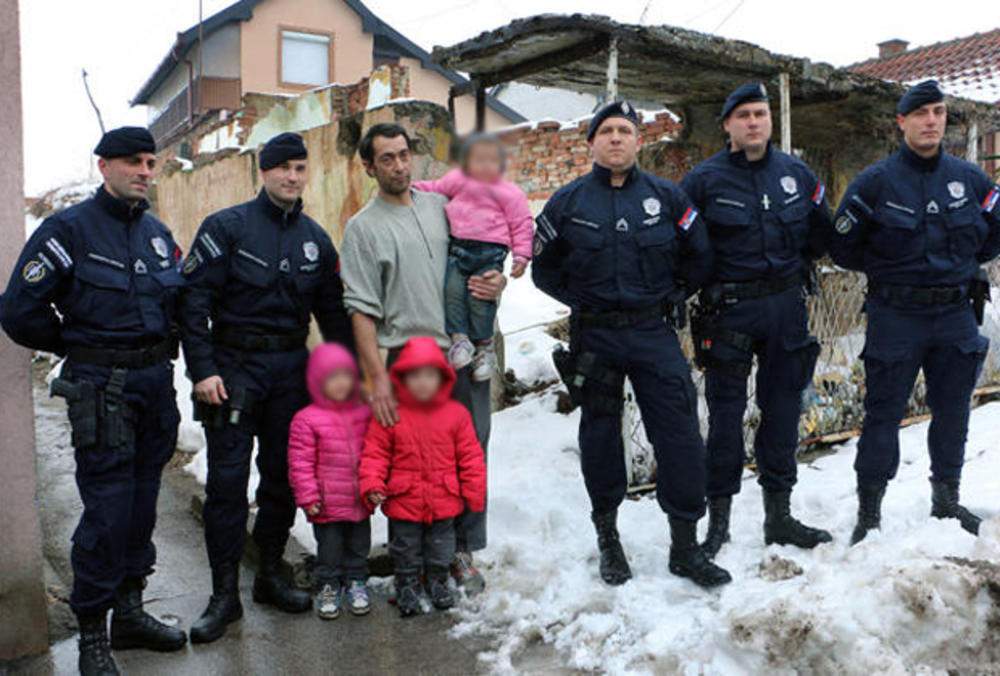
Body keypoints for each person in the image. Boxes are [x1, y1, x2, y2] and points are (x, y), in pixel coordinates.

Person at [0, 127, 187, 675]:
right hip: (101, 390)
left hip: (154, 386)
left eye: (152, 162)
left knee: (143, 506)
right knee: (107, 512)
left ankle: (129, 614)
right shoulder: (69, 230)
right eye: (133, 162)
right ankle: (92, 636)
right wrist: (73, 344)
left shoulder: (157, 235)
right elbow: (17, 310)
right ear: (103, 166)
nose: (145, 172)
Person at [533, 100, 730, 588]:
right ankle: (609, 540)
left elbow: (700, 258)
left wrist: (673, 296)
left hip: (652, 331)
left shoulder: (668, 198)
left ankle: (685, 547)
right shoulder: (567, 202)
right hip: (595, 335)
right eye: (607, 131)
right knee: (600, 437)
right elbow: (543, 269)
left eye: (625, 130)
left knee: (680, 434)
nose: (616, 138)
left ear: (638, 141)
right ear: (592, 143)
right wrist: (582, 301)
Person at [178, 132, 354, 643]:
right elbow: (193, 306)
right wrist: (202, 371)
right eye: (283, 169)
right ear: (265, 171)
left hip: (291, 372)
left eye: (300, 169)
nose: (292, 178)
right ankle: (223, 595)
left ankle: (271, 573)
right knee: (228, 485)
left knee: (283, 478)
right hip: (232, 371)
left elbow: (333, 316)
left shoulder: (316, 240)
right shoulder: (226, 228)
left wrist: (343, 378)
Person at [831, 80, 1000, 544]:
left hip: (954, 313)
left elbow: (996, 227)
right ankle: (869, 513)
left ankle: (946, 501)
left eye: (939, 112)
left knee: (953, 413)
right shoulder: (876, 182)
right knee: (882, 415)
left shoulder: (969, 179)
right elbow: (843, 246)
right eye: (921, 113)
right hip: (896, 314)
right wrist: (891, 271)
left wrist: (963, 264)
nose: (931, 121)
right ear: (901, 122)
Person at [339, 122, 504, 594]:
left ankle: (461, 552)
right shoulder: (362, 229)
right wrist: (377, 380)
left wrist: (499, 281)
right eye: (386, 158)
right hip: (407, 362)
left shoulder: (443, 207)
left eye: (403, 154)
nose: (398, 165)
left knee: (470, 452)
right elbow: (362, 311)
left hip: (463, 353)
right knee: (410, 463)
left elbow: (484, 253)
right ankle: (411, 562)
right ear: (369, 167)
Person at [680, 83, 834, 559]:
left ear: (771, 120)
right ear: (727, 124)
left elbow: (819, 234)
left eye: (761, 114)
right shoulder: (701, 182)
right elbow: (682, 246)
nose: (753, 122)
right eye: (743, 114)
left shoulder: (797, 173)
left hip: (786, 308)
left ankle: (779, 516)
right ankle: (719, 523)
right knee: (726, 417)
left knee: (783, 410)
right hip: (729, 311)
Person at [358, 336, 487, 616]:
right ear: (402, 378)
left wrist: (474, 492)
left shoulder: (456, 415)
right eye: (415, 376)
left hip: (444, 499)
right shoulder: (390, 414)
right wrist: (372, 484)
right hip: (405, 500)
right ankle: (407, 583)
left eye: (430, 375)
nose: (423, 382)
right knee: (406, 548)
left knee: (441, 547)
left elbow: (471, 457)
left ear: (442, 378)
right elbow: (375, 454)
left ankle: (437, 581)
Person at [412, 133, 533, 380]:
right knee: (452, 292)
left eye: (492, 160)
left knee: (480, 299)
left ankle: (485, 347)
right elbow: (435, 188)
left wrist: (522, 256)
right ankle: (460, 339)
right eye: (479, 159)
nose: (485, 165)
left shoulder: (509, 193)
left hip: (490, 254)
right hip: (459, 249)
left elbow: (522, 223)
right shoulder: (458, 181)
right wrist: (412, 189)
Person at [287, 342, 373, 620]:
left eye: (345, 376)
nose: (340, 384)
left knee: (359, 546)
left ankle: (357, 582)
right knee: (330, 548)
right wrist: (308, 497)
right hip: (326, 503)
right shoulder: (307, 419)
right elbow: (300, 463)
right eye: (332, 378)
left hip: (359, 498)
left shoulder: (363, 413)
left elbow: (375, 452)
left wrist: (376, 485)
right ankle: (329, 585)